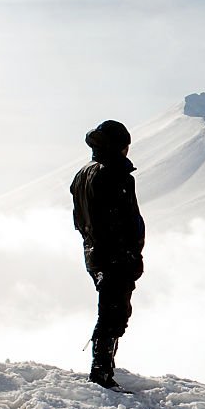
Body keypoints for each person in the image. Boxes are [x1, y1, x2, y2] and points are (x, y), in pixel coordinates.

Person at [70, 120, 145, 391]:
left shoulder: (82, 174)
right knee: (113, 313)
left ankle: (103, 368)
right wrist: (129, 253)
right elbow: (122, 220)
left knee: (111, 311)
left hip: (96, 253)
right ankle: (101, 372)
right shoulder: (114, 175)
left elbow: (80, 219)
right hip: (114, 256)